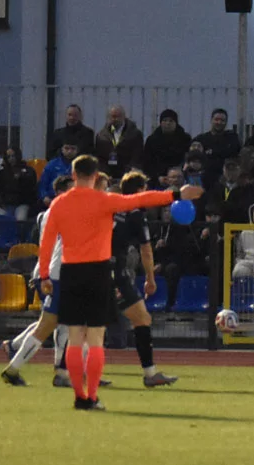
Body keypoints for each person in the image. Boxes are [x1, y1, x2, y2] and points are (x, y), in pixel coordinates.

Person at [37, 155, 202, 411]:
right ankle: (91, 396)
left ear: (72, 175)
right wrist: (176, 194)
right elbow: (140, 199)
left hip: (70, 272)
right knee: (95, 337)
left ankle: (79, 396)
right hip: (99, 271)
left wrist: (45, 275)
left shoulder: (59, 204)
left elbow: (47, 242)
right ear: (95, 176)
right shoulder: (105, 201)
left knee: (75, 336)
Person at [109, 171, 180, 387]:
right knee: (140, 319)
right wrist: (150, 278)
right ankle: (149, 374)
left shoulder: (112, 206)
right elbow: (146, 250)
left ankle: (68, 369)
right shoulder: (137, 214)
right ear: (141, 191)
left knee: (86, 323)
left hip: (96, 267)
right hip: (114, 272)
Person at [2, 175, 72, 386]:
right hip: (54, 272)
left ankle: (17, 350)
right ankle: (60, 370)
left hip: (49, 270)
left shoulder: (50, 213)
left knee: (56, 322)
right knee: (56, 323)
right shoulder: (60, 213)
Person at [94, 106, 144, 180]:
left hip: (127, 174)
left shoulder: (135, 134)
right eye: (113, 117)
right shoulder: (101, 136)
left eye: (118, 116)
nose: (115, 119)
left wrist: (128, 172)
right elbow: (100, 157)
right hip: (109, 176)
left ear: (124, 116)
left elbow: (137, 155)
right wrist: (105, 173)